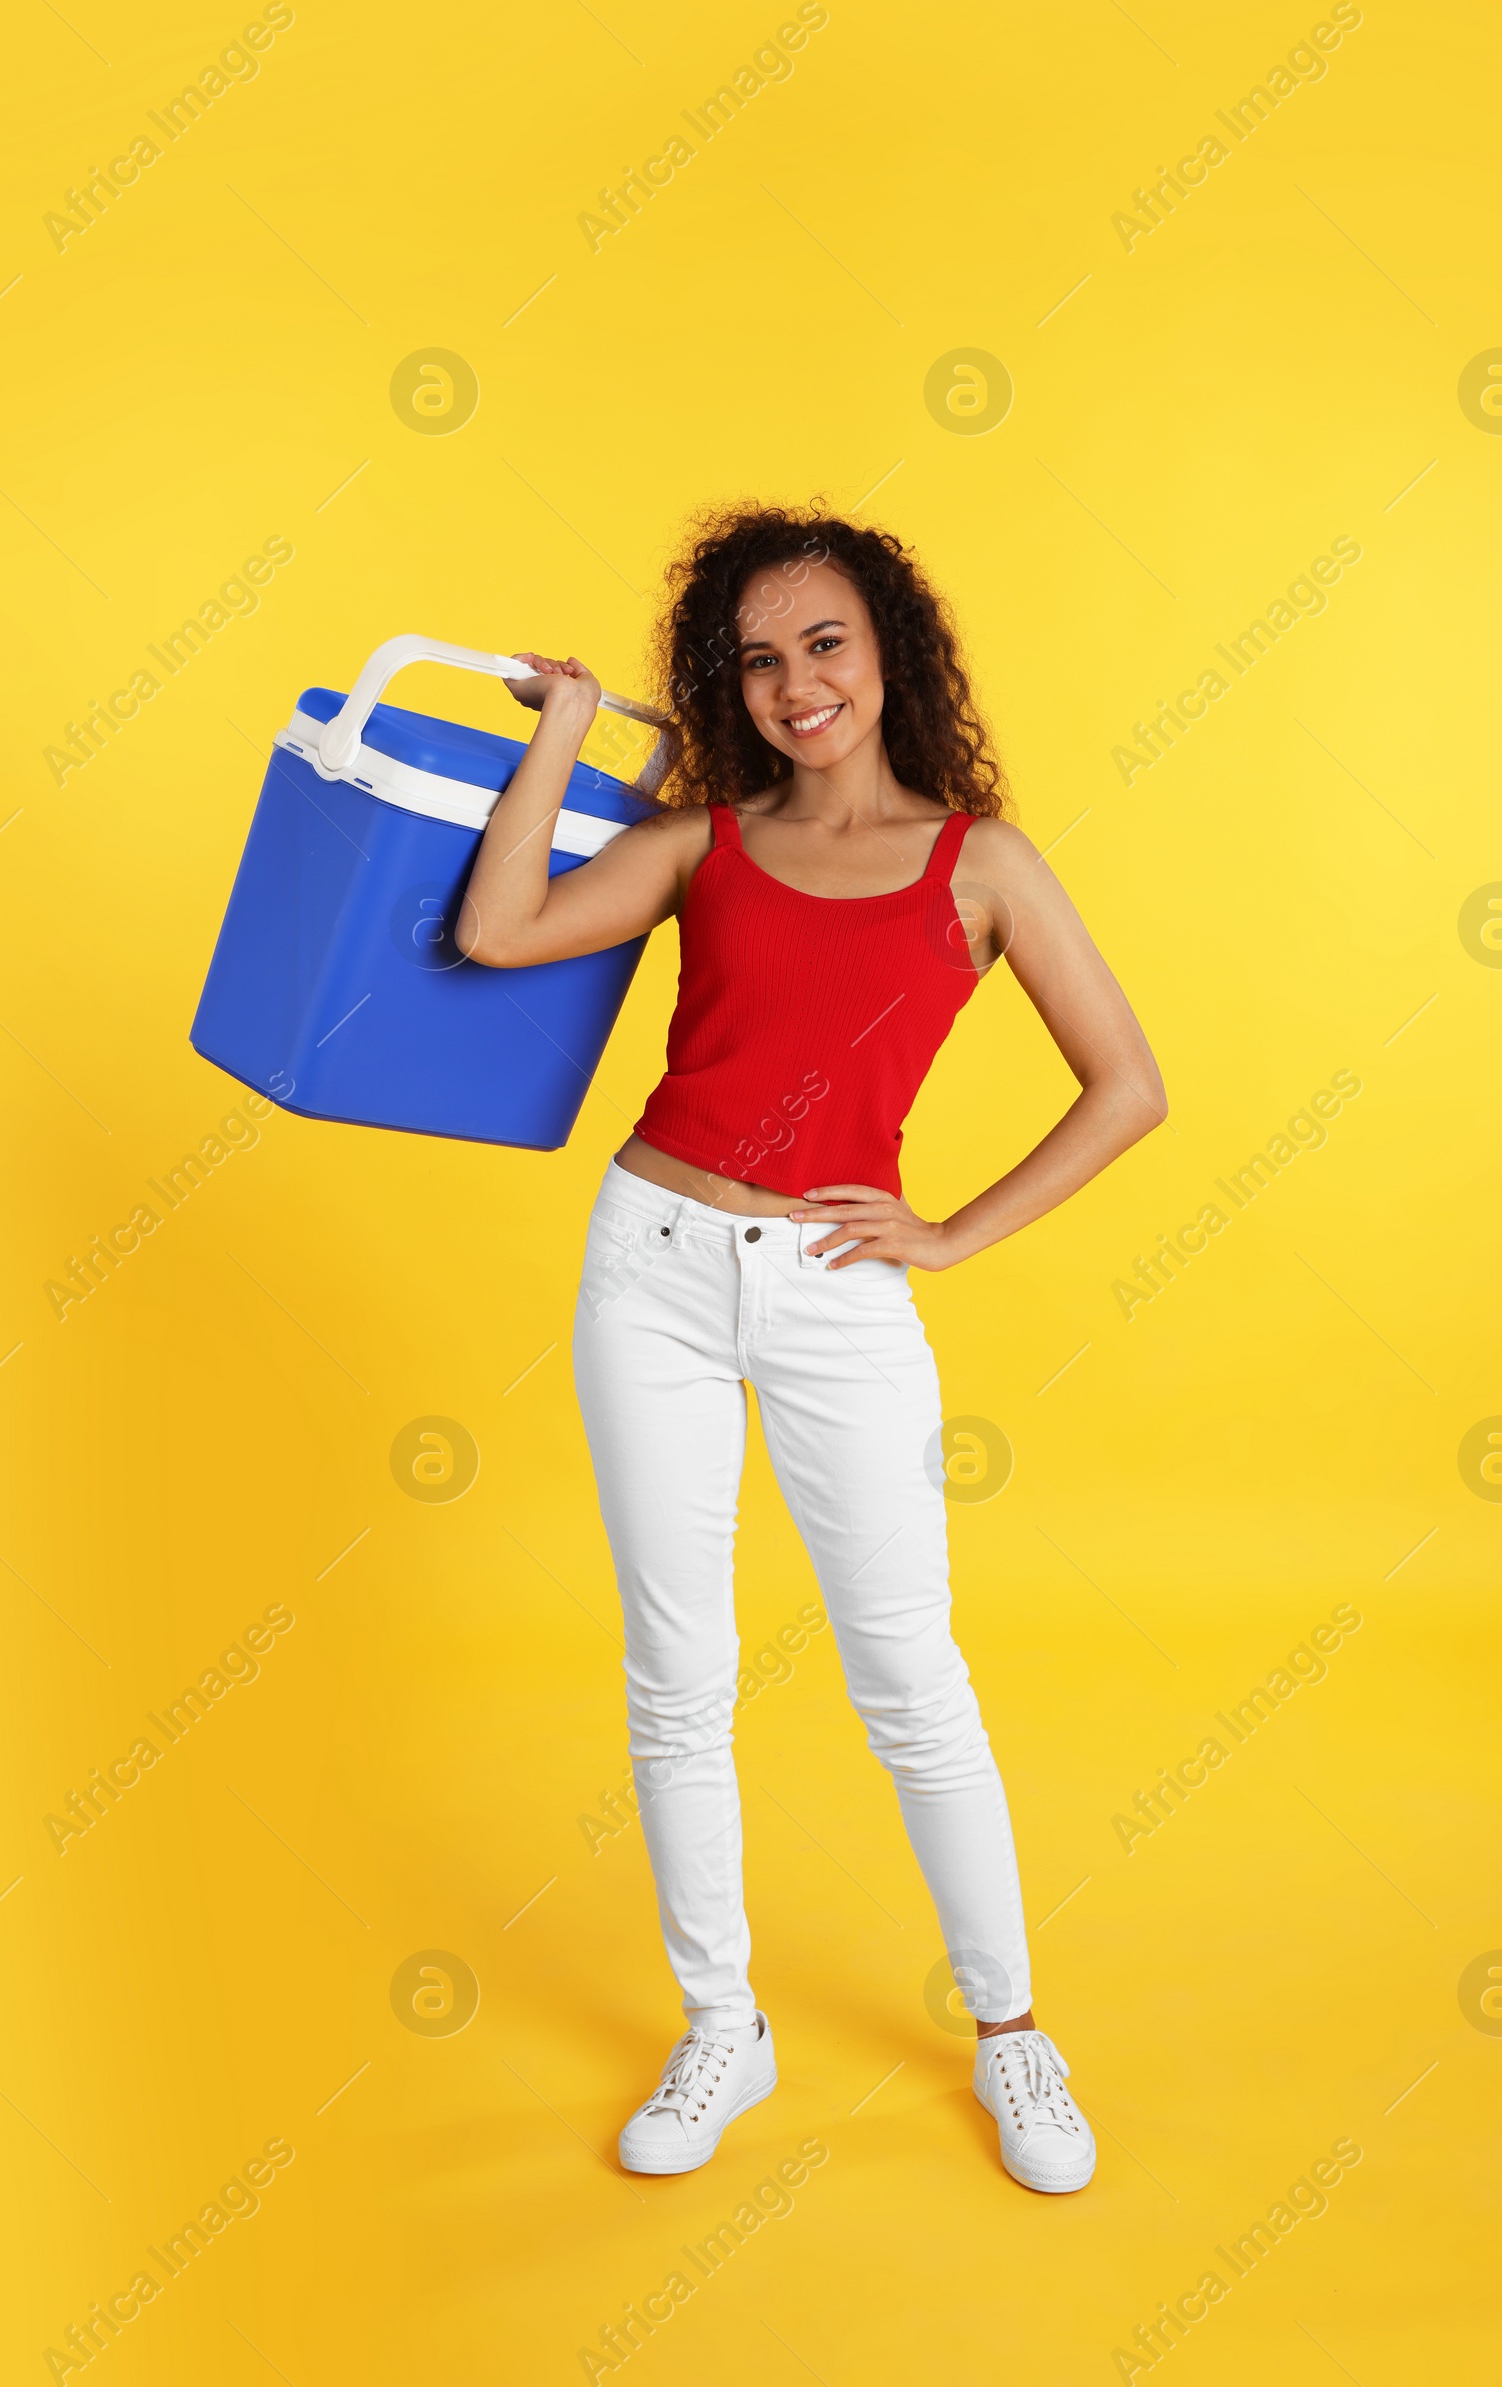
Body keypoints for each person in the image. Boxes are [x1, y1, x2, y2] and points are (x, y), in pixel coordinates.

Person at [460, 506, 1166, 2194]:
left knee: (909, 1675)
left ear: (890, 652)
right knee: (676, 1676)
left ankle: (1012, 2038)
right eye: (757, 661)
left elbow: (1129, 1086)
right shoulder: (703, 842)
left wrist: (949, 1232)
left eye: (824, 645)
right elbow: (497, 935)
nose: (795, 686)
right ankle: (725, 2026)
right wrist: (563, 735)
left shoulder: (978, 863)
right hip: (651, 1269)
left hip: (842, 1295)